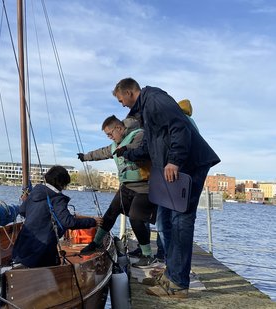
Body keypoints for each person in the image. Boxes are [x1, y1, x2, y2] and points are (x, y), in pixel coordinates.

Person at [112, 77, 220, 298]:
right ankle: (172, 274)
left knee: (181, 221)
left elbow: (180, 128)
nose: (122, 104)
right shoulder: (147, 112)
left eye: (121, 99)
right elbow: (148, 147)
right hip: (177, 170)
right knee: (167, 221)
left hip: (189, 166)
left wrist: (174, 160)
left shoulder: (154, 99)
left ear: (130, 92)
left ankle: (179, 284)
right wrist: (127, 153)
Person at [78, 116, 158, 268]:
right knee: (111, 213)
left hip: (144, 187)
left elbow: (140, 149)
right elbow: (101, 152)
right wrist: (85, 157)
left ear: (119, 128)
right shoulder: (114, 145)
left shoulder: (139, 135)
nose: (110, 137)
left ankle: (148, 255)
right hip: (127, 186)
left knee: (135, 218)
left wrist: (126, 149)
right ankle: (96, 243)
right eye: (107, 135)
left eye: (110, 134)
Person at [12, 165, 103, 268]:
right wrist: (93, 222)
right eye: (65, 185)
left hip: (23, 245)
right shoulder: (57, 198)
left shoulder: (35, 192)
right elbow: (68, 222)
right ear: (60, 183)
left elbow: (22, 210)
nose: (64, 188)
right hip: (42, 250)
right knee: (53, 271)